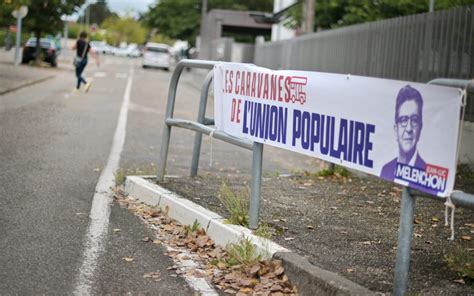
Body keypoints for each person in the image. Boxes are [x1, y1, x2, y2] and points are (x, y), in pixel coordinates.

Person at [380, 85, 426, 181]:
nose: (409, 128)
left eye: (414, 120)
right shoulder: (386, 169)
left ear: (420, 128)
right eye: (404, 120)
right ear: (396, 129)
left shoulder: (426, 173)